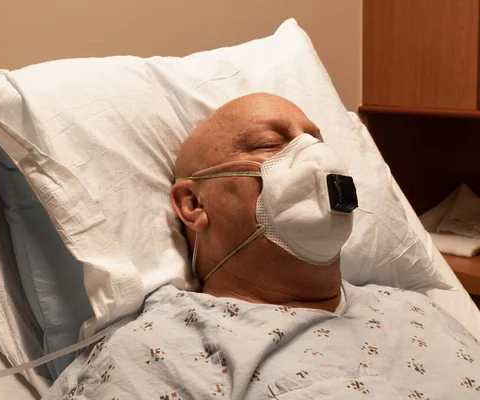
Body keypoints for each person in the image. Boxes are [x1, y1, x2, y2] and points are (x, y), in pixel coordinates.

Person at [44, 94, 480, 399]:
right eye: (270, 145)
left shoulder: (417, 309)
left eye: (316, 143)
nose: (313, 160)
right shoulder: (162, 350)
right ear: (193, 203)